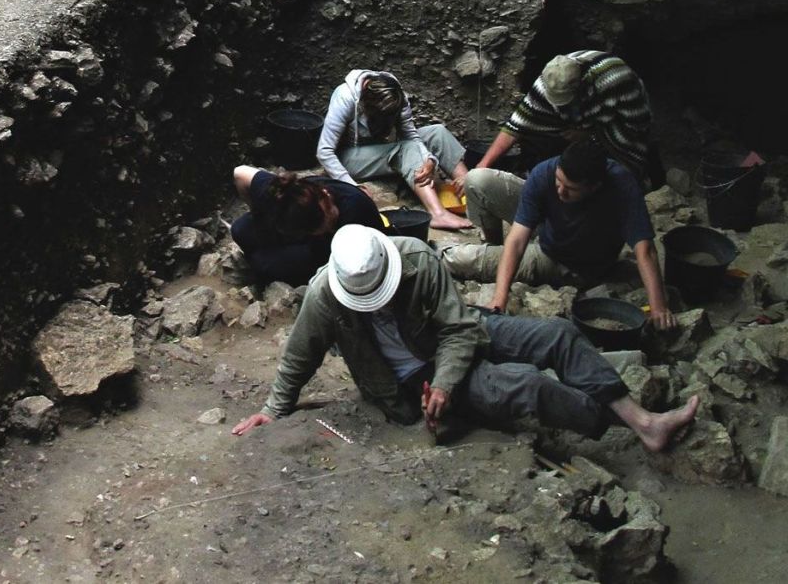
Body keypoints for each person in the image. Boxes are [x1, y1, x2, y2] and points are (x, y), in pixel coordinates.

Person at [232, 225, 698, 450]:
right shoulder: (324, 297)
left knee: (557, 334)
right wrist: (273, 411)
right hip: (409, 377)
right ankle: (625, 427)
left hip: (452, 337)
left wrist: (449, 383)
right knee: (524, 384)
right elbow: (299, 356)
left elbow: (458, 330)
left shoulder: (415, 257)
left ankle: (642, 420)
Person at [443, 141, 676, 329]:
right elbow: (516, 241)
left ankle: (434, 252)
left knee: (461, 259)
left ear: (593, 186)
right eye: (558, 181)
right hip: (547, 228)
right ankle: (492, 245)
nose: (560, 190)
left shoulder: (622, 186)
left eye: (571, 189)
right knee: (477, 179)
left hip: (561, 260)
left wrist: (658, 307)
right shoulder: (547, 171)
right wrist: (500, 296)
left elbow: (645, 249)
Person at [317, 69, 471, 231]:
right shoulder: (345, 97)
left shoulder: (395, 95)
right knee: (405, 150)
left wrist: (429, 159)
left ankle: (469, 186)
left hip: (378, 149)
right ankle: (438, 214)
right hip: (348, 157)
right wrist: (352, 186)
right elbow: (324, 152)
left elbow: (410, 135)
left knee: (436, 132)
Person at [474, 50, 655, 183]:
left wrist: (591, 134)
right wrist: (482, 167)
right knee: (537, 137)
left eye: (566, 101)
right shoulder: (547, 82)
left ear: (583, 84)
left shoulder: (615, 79)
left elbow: (637, 126)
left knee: (619, 177)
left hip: (612, 127)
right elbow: (516, 126)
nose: (560, 106)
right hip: (577, 124)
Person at [230, 165, 385, 287]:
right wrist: (257, 213)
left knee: (261, 263)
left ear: (326, 195)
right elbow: (240, 173)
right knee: (240, 230)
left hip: (327, 247)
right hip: (298, 229)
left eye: (329, 218)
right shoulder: (285, 194)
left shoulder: (356, 209)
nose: (330, 226)